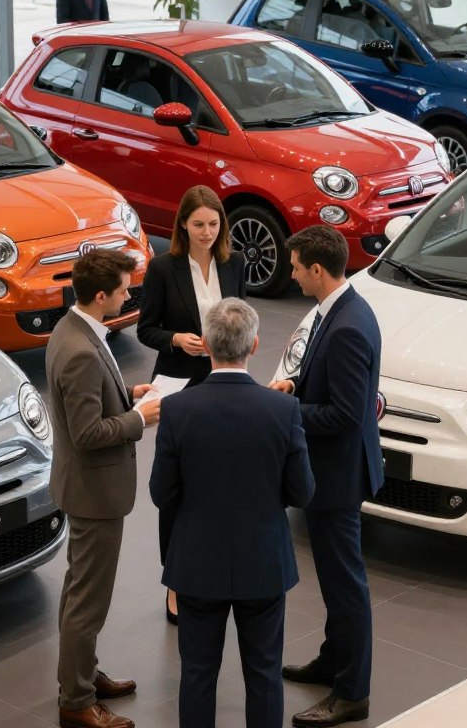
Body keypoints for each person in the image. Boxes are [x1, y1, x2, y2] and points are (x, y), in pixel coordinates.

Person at [150, 298, 315, 728]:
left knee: (198, 674)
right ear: (255, 345)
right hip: (262, 562)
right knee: (263, 673)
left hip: (197, 564)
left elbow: (160, 493)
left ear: (204, 344)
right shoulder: (283, 410)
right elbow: (302, 490)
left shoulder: (179, 410)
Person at [269, 226, 384, 728]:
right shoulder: (341, 310)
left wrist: (287, 404)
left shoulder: (348, 327)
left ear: (318, 269)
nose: (291, 274)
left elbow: (344, 414)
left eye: (296, 267)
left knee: (345, 585)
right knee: (336, 580)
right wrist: (299, 382)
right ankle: (332, 661)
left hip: (337, 477)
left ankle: (352, 692)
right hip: (334, 472)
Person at [46, 250, 161, 728]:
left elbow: (92, 400)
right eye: (122, 289)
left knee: (79, 590)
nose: (128, 294)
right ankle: (76, 700)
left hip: (86, 488)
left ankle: (84, 674)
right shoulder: (79, 350)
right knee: (87, 600)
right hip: (95, 491)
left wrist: (126, 395)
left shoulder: (74, 330)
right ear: (100, 296)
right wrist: (139, 419)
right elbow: (88, 434)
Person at [137, 184, 246, 624]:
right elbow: (146, 329)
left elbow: (241, 315)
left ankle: (214, 571)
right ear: (183, 223)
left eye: (213, 224)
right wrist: (176, 339)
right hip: (180, 384)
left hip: (226, 382)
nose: (206, 232)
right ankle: (175, 582)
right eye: (198, 224)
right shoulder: (163, 268)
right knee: (177, 488)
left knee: (220, 484)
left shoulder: (233, 262)